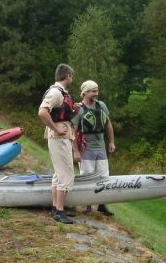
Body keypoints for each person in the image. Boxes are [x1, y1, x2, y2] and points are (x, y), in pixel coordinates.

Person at [38, 63, 80, 224]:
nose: (72, 79)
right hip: (59, 137)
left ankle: (56, 209)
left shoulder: (61, 93)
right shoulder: (56, 93)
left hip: (61, 135)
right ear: (67, 76)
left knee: (58, 174)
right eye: (71, 76)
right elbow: (42, 111)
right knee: (66, 174)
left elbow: (64, 114)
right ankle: (60, 211)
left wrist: (75, 110)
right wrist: (55, 127)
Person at [72, 80, 116, 216]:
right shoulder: (79, 110)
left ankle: (102, 205)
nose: (96, 93)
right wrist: (76, 151)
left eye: (97, 90)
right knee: (87, 176)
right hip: (86, 149)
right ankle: (88, 205)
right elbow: (73, 131)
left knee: (104, 176)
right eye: (93, 91)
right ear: (85, 92)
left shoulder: (101, 105)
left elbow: (108, 124)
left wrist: (111, 142)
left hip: (101, 147)